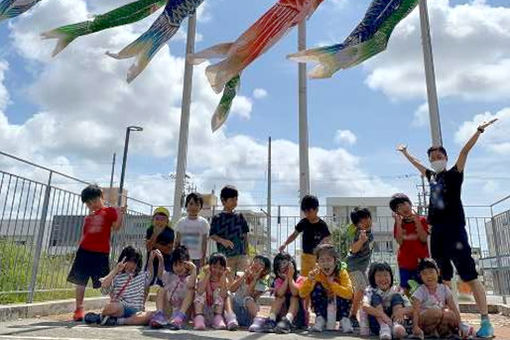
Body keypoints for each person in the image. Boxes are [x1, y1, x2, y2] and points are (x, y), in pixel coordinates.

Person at [398, 118, 497, 338]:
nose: (435, 160)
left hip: (455, 230)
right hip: (437, 233)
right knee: (443, 278)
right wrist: (405, 153)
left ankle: (485, 321)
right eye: (432, 158)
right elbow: (417, 164)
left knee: (470, 276)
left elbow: (464, 151)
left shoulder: (454, 174)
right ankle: (456, 320)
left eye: (439, 156)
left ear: (446, 158)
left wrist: (478, 131)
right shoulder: (432, 177)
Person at [67, 184, 124, 321]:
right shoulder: (88, 217)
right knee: (80, 281)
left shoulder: (109, 211)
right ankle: (79, 308)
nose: (92, 204)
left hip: (101, 253)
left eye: (94, 200)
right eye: (88, 203)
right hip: (84, 252)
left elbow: (116, 228)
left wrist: (120, 214)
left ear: (101, 197)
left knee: (106, 281)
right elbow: (85, 234)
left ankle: (115, 305)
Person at [84, 246, 154, 326]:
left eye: (135, 262)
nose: (132, 265)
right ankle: (103, 317)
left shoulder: (141, 275)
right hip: (120, 308)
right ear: (123, 260)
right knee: (112, 307)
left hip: (136, 311)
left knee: (150, 315)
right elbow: (104, 289)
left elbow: (150, 273)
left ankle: (114, 321)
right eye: (130, 261)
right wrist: (115, 270)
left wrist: (151, 259)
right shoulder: (116, 277)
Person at [412, 259, 474, 339]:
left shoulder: (444, 288)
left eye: (431, 272)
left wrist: (460, 324)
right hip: (426, 321)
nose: (429, 276)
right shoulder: (420, 291)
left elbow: (453, 308)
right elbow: (416, 311)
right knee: (436, 312)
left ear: (438, 272)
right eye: (424, 274)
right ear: (421, 277)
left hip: (441, 319)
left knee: (450, 314)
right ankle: (429, 332)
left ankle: (442, 332)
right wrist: (415, 326)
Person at [299, 244, 353, 333]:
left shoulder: (342, 272)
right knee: (317, 287)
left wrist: (333, 284)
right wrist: (309, 280)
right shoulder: (316, 273)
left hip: (340, 309)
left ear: (335, 261)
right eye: (322, 260)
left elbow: (349, 293)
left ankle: (345, 320)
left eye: (329, 260)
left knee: (348, 291)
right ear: (318, 263)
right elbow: (302, 293)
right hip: (323, 308)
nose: (325, 263)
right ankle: (320, 319)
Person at [249, 252, 308, 333]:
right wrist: (287, 279)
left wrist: (290, 277)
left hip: (297, 317)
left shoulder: (301, 279)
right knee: (280, 297)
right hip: (281, 316)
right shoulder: (278, 281)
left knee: (294, 297)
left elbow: (295, 292)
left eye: (285, 263)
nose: (283, 267)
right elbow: (280, 293)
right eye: (279, 265)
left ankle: (288, 320)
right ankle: (271, 320)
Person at [278, 194, 331, 276]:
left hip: (319, 258)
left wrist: (321, 246)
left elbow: (327, 237)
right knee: (305, 280)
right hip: (306, 257)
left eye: (309, 211)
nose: (307, 214)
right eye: (305, 212)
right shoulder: (303, 222)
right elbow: (294, 235)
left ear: (316, 210)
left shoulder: (322, 225)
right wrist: (285, 243)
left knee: (319, 279)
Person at [389, 193, 429, 295]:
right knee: (405, 288)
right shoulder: (398, 224)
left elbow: (424, 239)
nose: (403, 208)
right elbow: (400, 241)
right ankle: (408, 308)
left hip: (421, 262)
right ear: (397, 212)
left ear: (410, 204)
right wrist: (398, 223)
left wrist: (417, 222)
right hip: (405, 263)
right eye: (398, 207)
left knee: (424, 287)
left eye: (404, 203)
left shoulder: (422, 220)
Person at [149, 246, 197, 330]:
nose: (178, 268)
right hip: (170, 311)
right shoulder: (171, 276)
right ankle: (160, 314)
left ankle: (180, 317)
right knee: (161, 289)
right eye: (175, 265)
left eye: (181, 264)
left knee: (191, 290)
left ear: (187, 264)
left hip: (184, 314)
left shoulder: (190, 278)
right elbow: (160, 275)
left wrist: (194, 270)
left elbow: (191, 286)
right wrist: (161, 260)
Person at [362, 262, 413, 340]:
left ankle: (396, 325)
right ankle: (384, 327)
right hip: (377, 324)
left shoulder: (396, 289)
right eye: (379, 275)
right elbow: (365, 306)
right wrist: (383, 315)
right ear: (373, 278)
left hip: (394, 320)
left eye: (386, 275)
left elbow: (411, 308)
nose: (383, 279)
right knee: (375, 297)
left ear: (391, 277)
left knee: (396, 296)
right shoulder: (370, 289)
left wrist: (401, 311)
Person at [209, 185, 250, 275]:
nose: (235, 202)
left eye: (236, 199)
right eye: (232, 200)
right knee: (227, 280)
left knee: (241, 279)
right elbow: (212, 234)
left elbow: (245, 235)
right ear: (223, 201)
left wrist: (247, 253)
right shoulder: (217, 218)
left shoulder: (240, 216)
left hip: (241, 255)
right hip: (225, 257)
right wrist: (222, 241)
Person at [193, 252, 238, 330]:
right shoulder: (203, 275)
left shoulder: (224, 279)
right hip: (203, 311)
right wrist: (207, 275)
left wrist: (224, 276)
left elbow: (223, 294)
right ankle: (199, 318)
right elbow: (200, 291)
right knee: (200, 293)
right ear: (209, 266)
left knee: (224, 293)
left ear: (224, 269)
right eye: (214, 267)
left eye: (220, 268)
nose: (217, 270)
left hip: (217, 312)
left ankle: (221, 318)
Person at [345, 207, 374, 328]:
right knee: (361, 288)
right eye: (363, 220)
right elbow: (353, 249)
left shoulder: (369, 232)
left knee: (364, 291)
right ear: (357, 224)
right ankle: (352, 316)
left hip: (361, 268)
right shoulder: (358, 233)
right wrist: (361, 241)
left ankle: (351, 314)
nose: (367, 221)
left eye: (368, 218)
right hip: (353, 266)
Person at [229, 255, 271, 328]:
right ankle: (230, 320)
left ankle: (259, 321)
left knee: (248, 299)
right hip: (236, 311)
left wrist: (255, 279)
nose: (256, 264)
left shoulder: (263, 283)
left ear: (264, 270)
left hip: (249, 315)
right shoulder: (241, 274)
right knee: (228, 295)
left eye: (261, 264)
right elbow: (232, 289)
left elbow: (247, 295)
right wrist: (245, 276)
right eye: (255, 261)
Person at [174, 193, 210, 268]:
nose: (194, 207)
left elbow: (204, 242)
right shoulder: (181, 222)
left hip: (198, 259)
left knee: (196, 279)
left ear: (200, 207)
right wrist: (176, 256)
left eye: (197, 204)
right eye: (191, 204)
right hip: (183, 258)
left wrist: (203, 258)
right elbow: (177, 241)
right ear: (186, 205)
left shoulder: (204, 222)